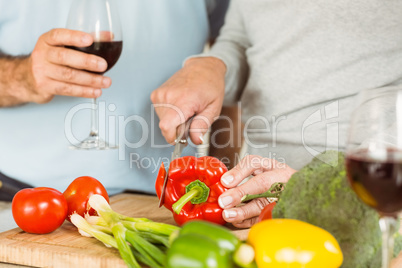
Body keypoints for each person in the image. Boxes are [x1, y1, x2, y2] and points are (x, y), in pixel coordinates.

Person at [151, 0, 402, 227]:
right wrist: (214, 67)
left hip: (370, 196)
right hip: (259, 203)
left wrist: (326, 188)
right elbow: (241, 38)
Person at [0, 0, 229, 200]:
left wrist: (225, 183)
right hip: (23, 196)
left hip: (172, 195)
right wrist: (23, 77)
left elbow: (235, 44)